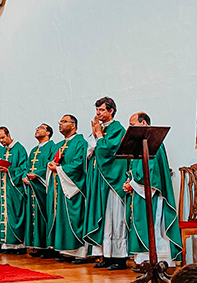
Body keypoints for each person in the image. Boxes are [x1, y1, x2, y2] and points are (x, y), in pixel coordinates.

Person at [124, 112, 182, 268]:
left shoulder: (153, 142)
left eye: (133, 125)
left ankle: (159, 262)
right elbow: (136, 169)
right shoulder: (141, 144)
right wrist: (130, 182)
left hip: (152, 195)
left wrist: (133, 184)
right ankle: (144, 261)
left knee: (154, 226)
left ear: (143, 124)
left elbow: (151, 173)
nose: (130, 128)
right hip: (140, 191)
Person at [84, 96, 129, 270]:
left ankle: (119, 258)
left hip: (112, 181)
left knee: (115, 217)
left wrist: (98, 135)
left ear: (111, 111)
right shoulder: (100, 129)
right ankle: (106, 255)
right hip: (99, 181)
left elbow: (107, 149)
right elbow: (90, 150)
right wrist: (96, 136)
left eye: (101, 110)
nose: (98, 113)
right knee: (104, 219)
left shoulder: (117, 129)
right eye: (96, 110)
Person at [46, 114, 88, 262]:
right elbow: (53, 163)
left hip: (73, 188)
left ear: (73, 125)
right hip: (59, 188)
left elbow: (79, 164)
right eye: (60, 121)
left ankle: (80, 252)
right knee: (61, 219)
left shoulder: (80, 142)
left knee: (74, 218)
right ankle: (65, 251)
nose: (60, 124)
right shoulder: (58, 145)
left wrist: (60, 169)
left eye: (64, 121)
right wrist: (51, 166)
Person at [24, 123, 58, 256]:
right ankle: (36, 245)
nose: (37, 130)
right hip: (32, 187)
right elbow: (27, 166)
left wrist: (37, 174)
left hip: (43, 186)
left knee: (43, 214)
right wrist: (24, 176)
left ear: (48, 132)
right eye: (36, 128)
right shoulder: (33, 150)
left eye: (41, 128)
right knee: (33, 215)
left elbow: (50, 165)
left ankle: (47, 246)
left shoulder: (52, 147)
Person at [0, 126, 28, 254]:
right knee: (4, 214)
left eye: (3, 137)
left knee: (15, 214)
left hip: (15, 189)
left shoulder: (20, 149)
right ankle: (6, 245)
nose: (1, 141)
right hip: (3, 188)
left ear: (9, 134)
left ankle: (18, 245)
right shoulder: (1, 151)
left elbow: (24, 168)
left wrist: (10, 170)